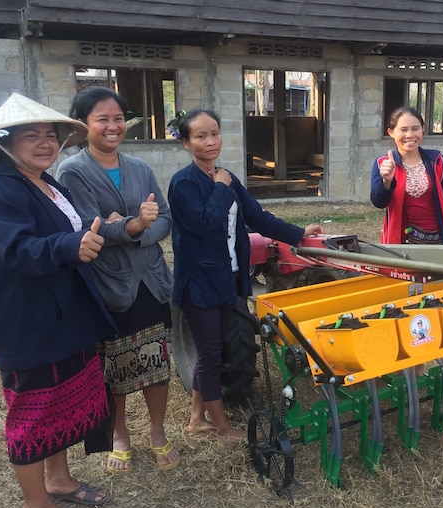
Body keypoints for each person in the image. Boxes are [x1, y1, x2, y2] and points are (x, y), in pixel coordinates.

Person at [0, 93, 115, 508]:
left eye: (51, 135)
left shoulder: (47, 183)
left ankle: (59, 479)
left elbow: (72, 227)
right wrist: (71, 245)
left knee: (62, 406)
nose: (45, 143)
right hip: (29, 324)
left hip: (64, 318)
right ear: (4, 143)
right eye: (32, 136)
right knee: (33, 414)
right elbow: (20, 250)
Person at [167, 109, 323, 445]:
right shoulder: (183, 184)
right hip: (199, 285)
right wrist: (222, 190)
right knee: (211, 355)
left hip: (230, 279)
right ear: (185, 142)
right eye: (200, 136)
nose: (211, 141)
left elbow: (257, 217)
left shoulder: (226, 176)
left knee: (213, 348)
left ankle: (196, 418)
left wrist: (297, 233)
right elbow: (205, 225)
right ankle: (223, 429)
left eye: (215, 133)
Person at [57, 87, 178, 474]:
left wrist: (132, 227)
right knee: (115, 365)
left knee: (156, 359)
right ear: (83, 125)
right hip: (112, 285)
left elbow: (166, 219)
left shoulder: (140, 168)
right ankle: (120, 433)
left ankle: (157, 431)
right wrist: (136, 223)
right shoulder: (73, 171)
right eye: (102, 119)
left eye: (118, 118)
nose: (113, 126)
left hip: (153, 280)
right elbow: (89, 228)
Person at [371, 106, 443, 245]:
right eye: (403, 129)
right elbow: (378, 202)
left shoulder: (437, 162)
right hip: (402, 243)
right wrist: (386, 182)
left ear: (422, 129)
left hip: (438, 242)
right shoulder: (383, 164)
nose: (410, 135)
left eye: (415, 128)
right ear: (391, 132)